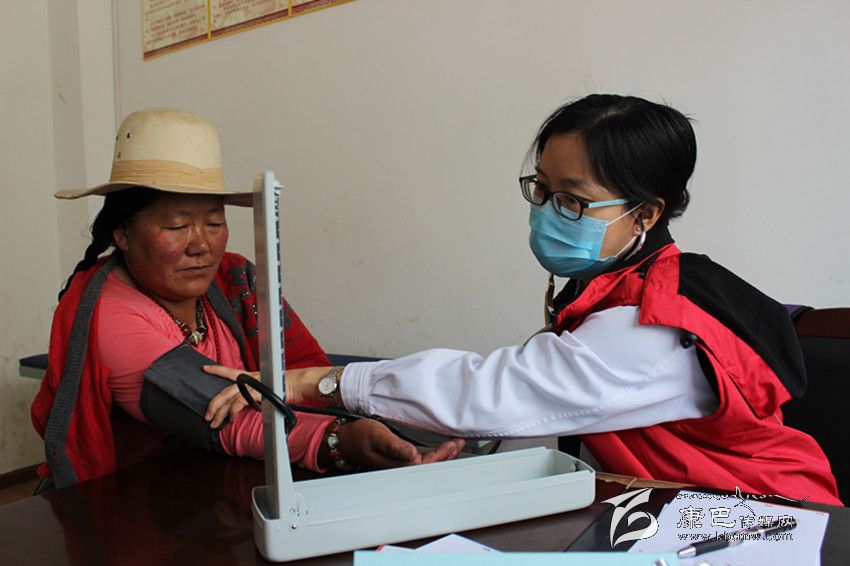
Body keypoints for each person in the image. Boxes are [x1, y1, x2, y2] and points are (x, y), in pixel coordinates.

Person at [209, 94, 841, 505]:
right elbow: (553, 409)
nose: (548, 212)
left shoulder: (660, 322)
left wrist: (320, 382)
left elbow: (499, 391)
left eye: (573, 200)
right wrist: (480, 453)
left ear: (646, 214)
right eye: (541, 190)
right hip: (672, 502)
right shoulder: (613, 286)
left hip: (766, 517)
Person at [31, 107, 462, 489]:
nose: (202, 245)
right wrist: (341, 440)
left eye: (214, 222)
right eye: (177, 226)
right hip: (142, 503)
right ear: (123, 234)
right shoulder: (111, 313)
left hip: (230, 483)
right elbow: (222, 416)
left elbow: (301, 369)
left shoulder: (235, 278)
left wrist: (393, 428)